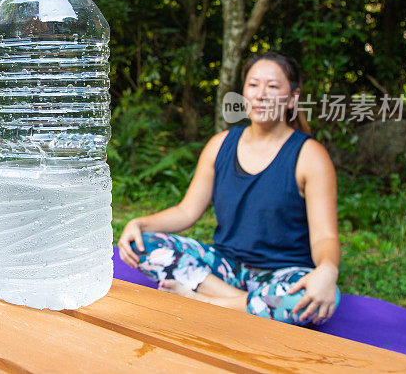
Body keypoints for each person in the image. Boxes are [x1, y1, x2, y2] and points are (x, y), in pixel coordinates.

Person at [118, 51, 341, 326]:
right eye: (253, 84)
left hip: (283, 274)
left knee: (308, 297)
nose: (261, 94)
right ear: (244, 93)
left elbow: (324, 238)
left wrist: (328, 270)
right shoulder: (220, 145)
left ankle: (204, 303)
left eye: (273, 86)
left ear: (293, 98)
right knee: (146, 245)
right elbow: (187, 211)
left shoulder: (310, 156)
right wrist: (139, 223)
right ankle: (253, 304)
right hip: (226, 267)